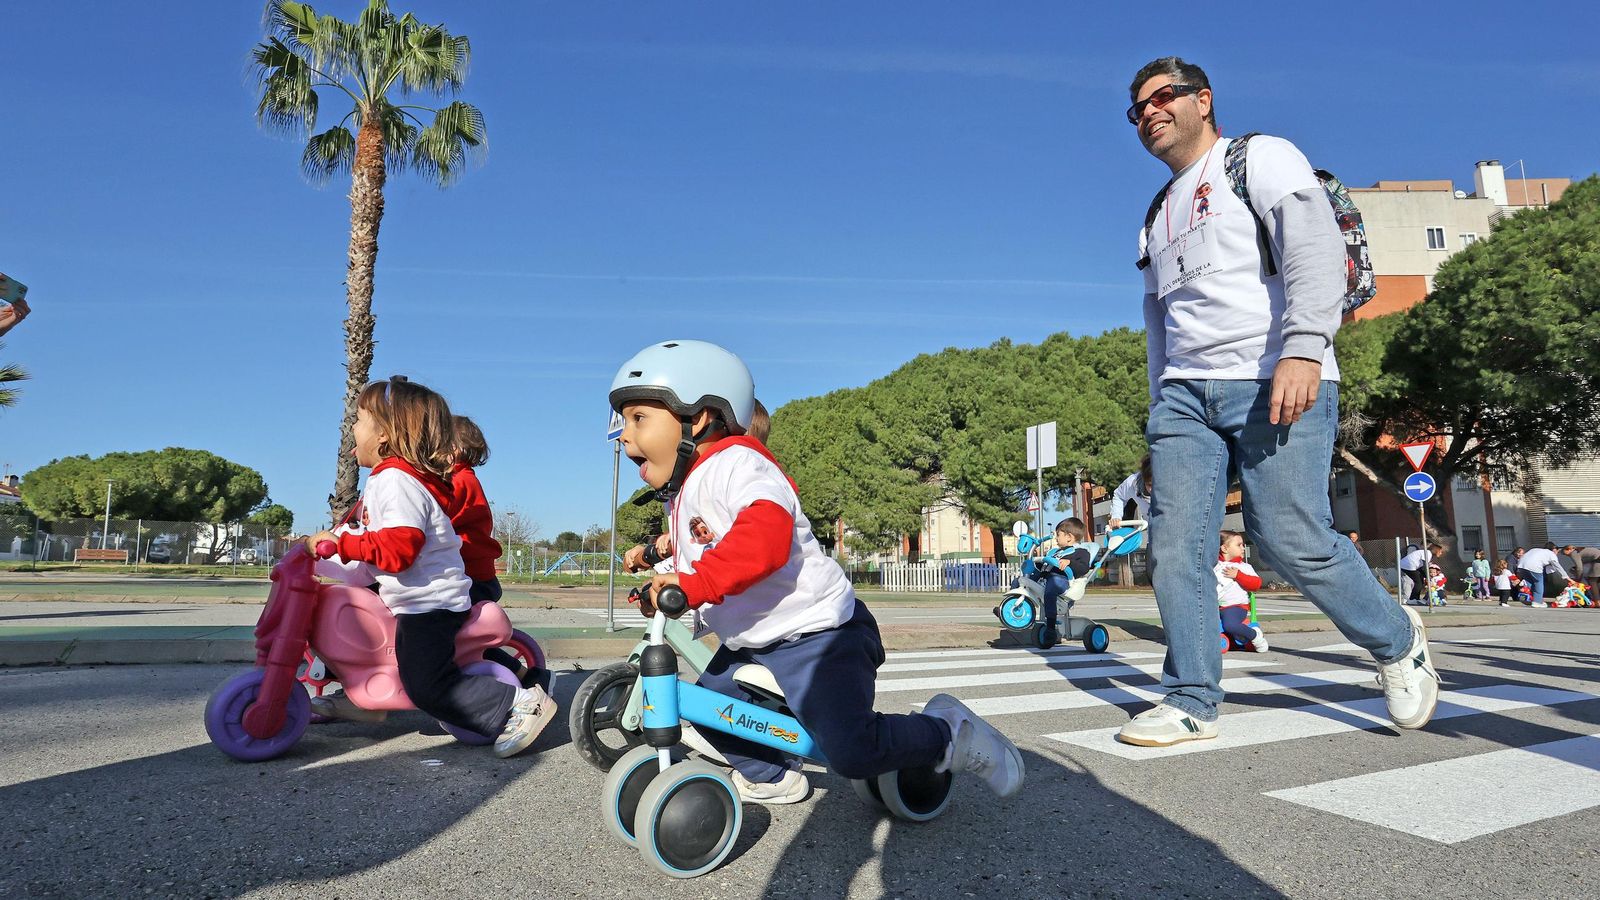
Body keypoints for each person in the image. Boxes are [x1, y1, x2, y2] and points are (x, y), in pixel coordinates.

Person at [1117, 56, 1438, 748]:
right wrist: (1156, 409)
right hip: (1183, 399)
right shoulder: (1156, 215)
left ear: (1203, 100)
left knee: (1288, 539)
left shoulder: (1258, 158)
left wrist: (1302, 349)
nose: (1148, 113)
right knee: (1175, 546)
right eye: (1136, 108)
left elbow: (1314, 250)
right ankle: (1190, 698)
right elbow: (1158, 323)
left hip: (1275, 377)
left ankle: (1395, 638)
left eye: (1162, 97)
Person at [612, 339, 1023, 804]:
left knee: (851, 752)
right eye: (623, 421)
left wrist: (694, 584)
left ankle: (947, 731)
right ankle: (772, 777)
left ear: (698, 417)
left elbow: (763, 535)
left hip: (820, 634)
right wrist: (664, 580)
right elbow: (704, 558)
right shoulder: (688, 490)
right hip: (754, 642)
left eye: (639, 418)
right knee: (709, 712)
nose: (625, 434)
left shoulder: (739, 464)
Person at [304, 377, 554, 758]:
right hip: (414, 599)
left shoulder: (394, 480)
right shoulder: (389, 479)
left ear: (385, 434)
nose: (351, 427)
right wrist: (340, 554)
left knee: (426, 684)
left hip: (430, 604)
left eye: (359, 419)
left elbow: (398, 549)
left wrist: (345, 545)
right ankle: (364, 700)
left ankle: (519, 703)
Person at [448, 415, 528, 679]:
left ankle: (520, 673)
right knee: (465, 638)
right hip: (474, 573)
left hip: (469, 575)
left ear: (454, 449)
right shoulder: (463, 479)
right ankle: (523, 673)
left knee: (459, 639)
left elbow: (437, 516)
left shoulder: (457, 482)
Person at [1033, 517, 1098, 646]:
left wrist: (1069, 562)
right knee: (1024, 577)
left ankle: (1051, 628)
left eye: (1058, 535)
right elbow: (1047, 565)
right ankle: (1009, 605)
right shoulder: (1055, 552)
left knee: (1052, 586)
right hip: (1046, 577)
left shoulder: (1081, 552)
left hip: (1063, 580)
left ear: (1069, 537)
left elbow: (1083, 567)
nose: (1056, 538)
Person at [1215, 531, 1268, 652]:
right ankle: (1230, 640)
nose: (1243, 547)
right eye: (1239, 545)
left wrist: (1238, 575)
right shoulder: (1216, 565)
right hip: (1216, 606)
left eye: (1242, 544)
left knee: (1230, 625)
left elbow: (1256, 584)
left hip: (1236, 606)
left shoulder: (1244, 567)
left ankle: (1254, 636)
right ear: (1224, 548)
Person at [1107, 455, 1153, 528]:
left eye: (1156, 486)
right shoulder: (1133, 483)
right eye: (1149, 485)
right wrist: (1116, 516)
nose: (1152, 490)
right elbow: (1119, 496)